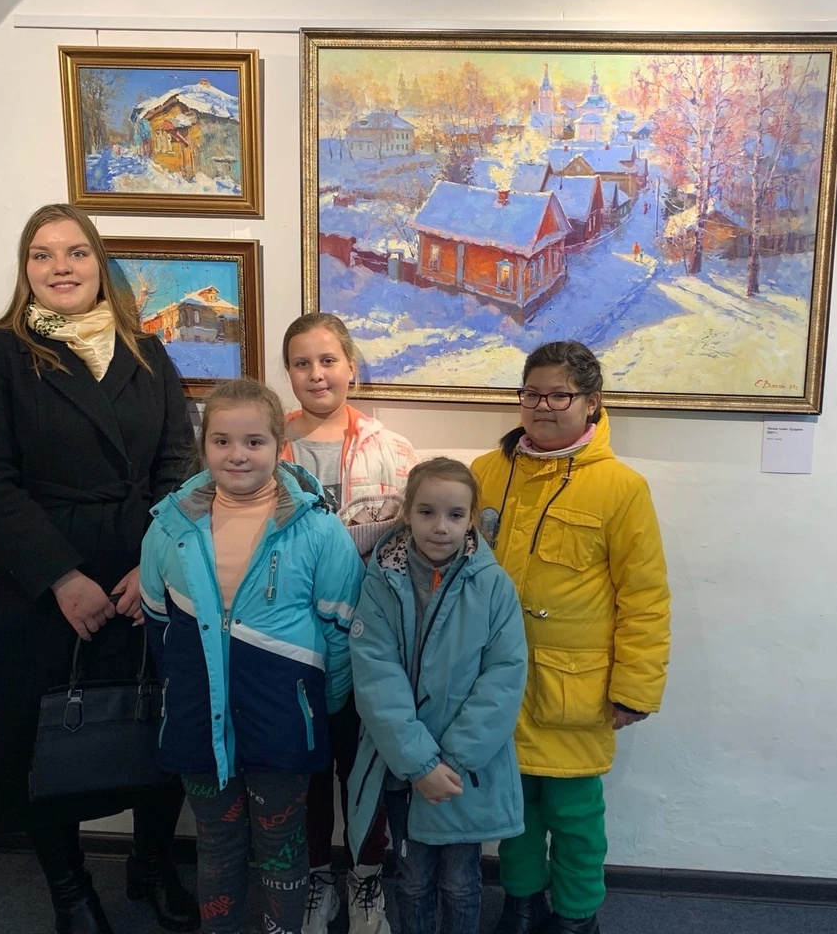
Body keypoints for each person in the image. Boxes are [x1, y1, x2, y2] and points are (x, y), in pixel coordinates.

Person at [0, 203, 199, 934]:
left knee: (154, 726)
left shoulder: (146, 352)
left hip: (138, 576)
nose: (61, 266)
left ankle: (152, 866)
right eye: (43, 254)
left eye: (77, 252)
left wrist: (153, 564)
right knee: (42, 744)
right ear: (25, 270)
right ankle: (70, 891)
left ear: (99, 264)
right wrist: (60, 577)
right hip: (32, 582)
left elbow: (177, 464)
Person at [139, 377, 364, 934]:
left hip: (284, 722)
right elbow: (159, 625)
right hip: (197, 721)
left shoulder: (318, 529)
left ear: (280, 447)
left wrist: (322, 705)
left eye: (254, 442)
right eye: (222, 441)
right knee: (216, 844)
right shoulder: (168, 528)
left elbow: (341, 631)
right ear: (204, 446)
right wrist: (181, 693)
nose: (237, 454)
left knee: (282, 848)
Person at [472, 341, 672, 934]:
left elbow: (644, 597)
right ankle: (521, 903)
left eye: (559, 395)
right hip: (496, 684)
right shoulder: (486, 473)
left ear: (591, 402)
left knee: (576, 816)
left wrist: (635, 688)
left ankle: (577, 916)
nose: (543, 406)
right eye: (532, 393)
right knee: (513, 809)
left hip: (573, 693)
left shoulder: (620, 487)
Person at [346, 458, 527, 934]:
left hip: (463, 772)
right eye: (426, 512)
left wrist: (454, 759)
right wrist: (419, 762)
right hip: (404, 768)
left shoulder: (493, 586)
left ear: (472, 519)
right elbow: (375, 675)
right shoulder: (382, 580)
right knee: (412, 880)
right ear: (407, 512)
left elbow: (504, 678)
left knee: (461, 882)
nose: (440, 527)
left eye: (455, 514)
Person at [281, 312, 417, 934]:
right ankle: (316, 879)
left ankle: (365, 879)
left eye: (328, 360)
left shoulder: (394, 451)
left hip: (368, 646)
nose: (317, 374)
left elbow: (414, 545)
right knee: (305, 769)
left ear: (351, 367)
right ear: (289, 373)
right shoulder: (267, 447)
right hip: (290, 644)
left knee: (364, 769)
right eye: (302, 363)